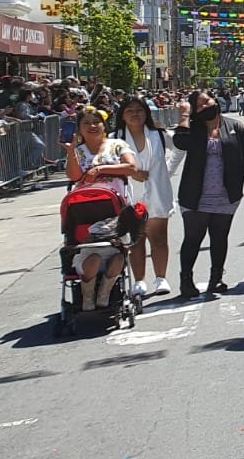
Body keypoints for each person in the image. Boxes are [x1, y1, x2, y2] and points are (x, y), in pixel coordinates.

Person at [173, 90, 244, 300]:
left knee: (219, 238)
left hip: (225, 195)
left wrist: (237, 174)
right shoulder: (193, 129)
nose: (204, 107)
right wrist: (184, 116)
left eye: (206, 102)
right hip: (196, 195)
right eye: (198, 106)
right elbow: (180, 142)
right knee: (193, 238)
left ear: (215, 100)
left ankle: (216, 278)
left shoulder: (234, 127)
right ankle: (186, 280)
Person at [65, 107, 136, 308]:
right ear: (79, 128)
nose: (92, 126)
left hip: (115, 207)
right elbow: (74, 177)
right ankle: (87, 297)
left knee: (117, 253)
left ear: (104, 125)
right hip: (84, 210)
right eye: (86, 123)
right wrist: (70, 152)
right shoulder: (78, 150)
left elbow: (131, 168)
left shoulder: (117, 145)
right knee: (92, 255)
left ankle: (105, 293)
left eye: (96, 122)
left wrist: (100, 169)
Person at [117, 95, 176, 297]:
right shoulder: (115, 138)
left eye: (139, 110)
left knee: (159, 238)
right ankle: (139, 281)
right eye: (130, 111)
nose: (135, 114)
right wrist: (130, 172)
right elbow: (106, 164)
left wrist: (167, 170)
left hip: (158, 193)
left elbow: (180, 148)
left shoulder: (158, 134)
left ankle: (161, 278)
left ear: (146, 113)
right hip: (131, 195)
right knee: (136, 240)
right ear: (122, 116)